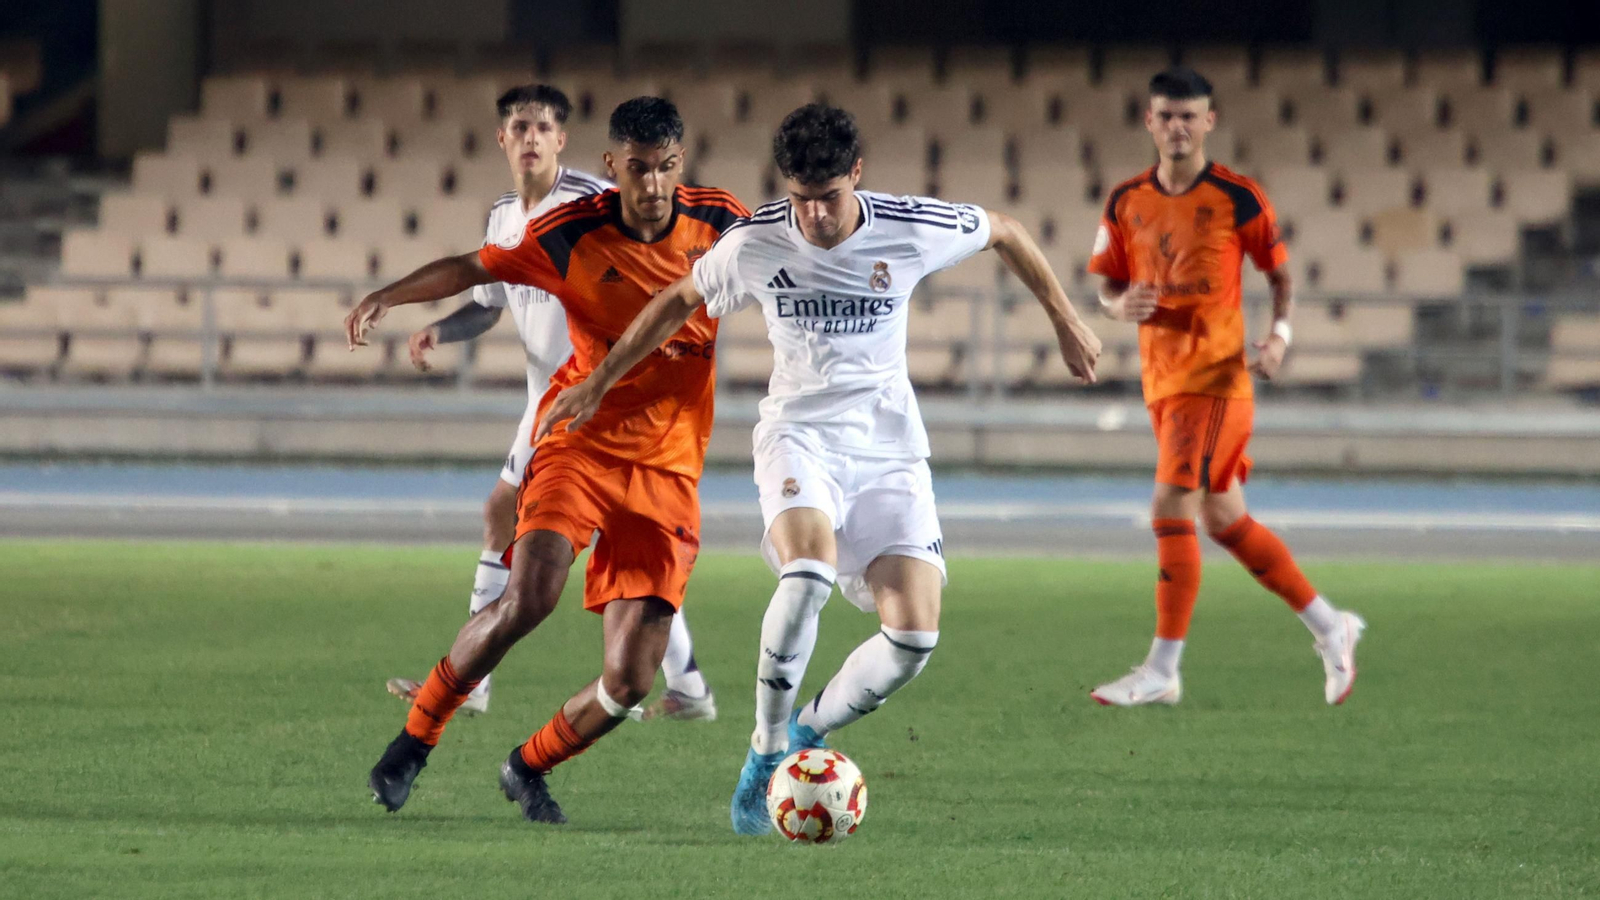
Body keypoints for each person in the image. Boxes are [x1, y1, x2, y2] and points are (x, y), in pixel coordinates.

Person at [535, 103, 1102, 835]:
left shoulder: (910, 226)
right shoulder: (756, 242)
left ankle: (808, 730)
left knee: (914, 639)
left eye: (828, 198)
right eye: (800, 198)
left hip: (889, 449)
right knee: (804, 578)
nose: (814, 216)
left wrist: (1065, 319)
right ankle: (766, 753)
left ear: (856, 177)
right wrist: (602, 378)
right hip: (798, 437)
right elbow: (678, 298)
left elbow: (1008, 232)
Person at [346, 97, 748, 823]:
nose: (651, 186)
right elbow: (475, 267)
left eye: (664, 170)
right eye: (637, 169)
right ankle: (413, 742)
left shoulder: (722, 222)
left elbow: (792, 265)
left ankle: (527, 766)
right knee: (529, 596)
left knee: (627, 682)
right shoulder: (569, 233)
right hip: (580, 441)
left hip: (668, 470)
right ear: (611, 167)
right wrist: (389, 295)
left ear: (679, 164)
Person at [384, 83, 714, 722]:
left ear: (563, 140)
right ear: (502, 139)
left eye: (543, 127)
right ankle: (688, 683)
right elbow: (487, 303)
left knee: (523, 520)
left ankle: (473, 685)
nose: (531, 137)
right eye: (520, 126)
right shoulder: (505, 216)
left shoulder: (593, 204)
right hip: (549, 401)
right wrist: (439, 330)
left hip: (589, 402)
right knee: (544, 525)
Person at [1086, 67, 1365, 708]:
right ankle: (1331, 625)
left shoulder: (1239, 197)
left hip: (1215, 380)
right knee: (1223, 517)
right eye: (1166, 115)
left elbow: (1282, 276)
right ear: (1149, 121)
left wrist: (1280, 339)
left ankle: (1162, 669)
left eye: (1190, 115)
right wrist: (1116, 305)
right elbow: (1105, 286)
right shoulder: (1125, 200)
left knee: (1169, 509)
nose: (1178, 126)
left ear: (1209, 121)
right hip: (1163, 382)